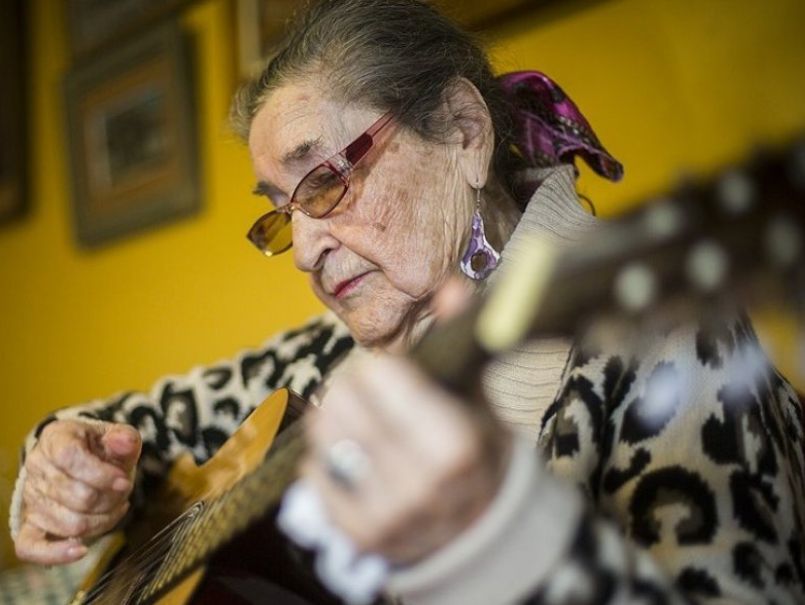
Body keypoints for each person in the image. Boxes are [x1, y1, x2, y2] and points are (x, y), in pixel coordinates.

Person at [11, 0, 805, 603]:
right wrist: (64, 463)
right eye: (281, 210)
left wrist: (499, 537)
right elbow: (135, 430)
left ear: (463, 132)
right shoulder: (331, 356)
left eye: (325, 180)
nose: (309, 250)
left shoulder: (666, 340)